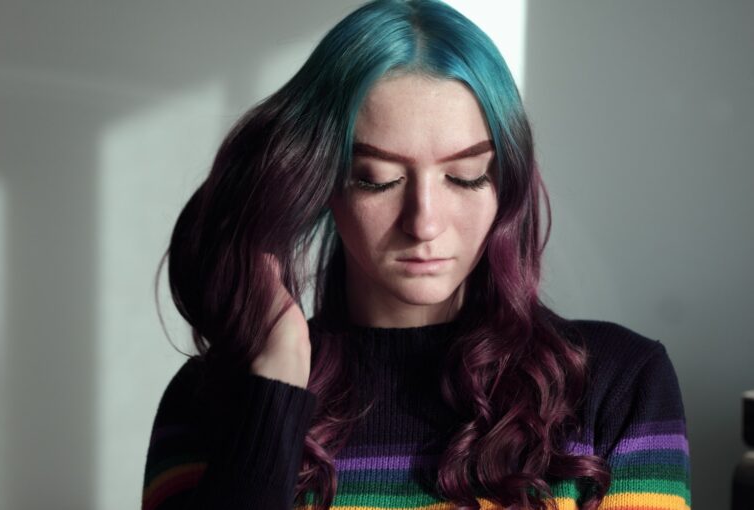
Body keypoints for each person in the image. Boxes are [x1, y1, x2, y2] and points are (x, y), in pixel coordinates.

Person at [142, 0, 691, 509]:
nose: (424, 222)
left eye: (465, 176)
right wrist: (277, 382)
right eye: (377, 180)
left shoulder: (618, 384)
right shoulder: (209, 401)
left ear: (506, 184)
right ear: (322, 182)